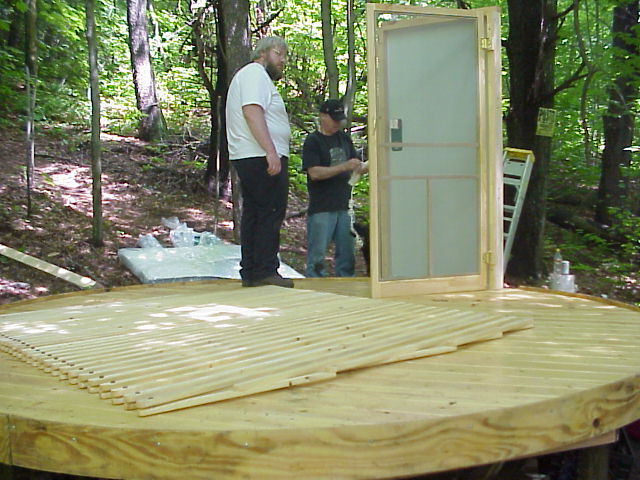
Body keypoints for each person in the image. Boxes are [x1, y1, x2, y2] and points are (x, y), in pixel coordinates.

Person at [225, 36, 293, 288]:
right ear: (263, 53)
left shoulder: (250, 76)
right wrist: (271, 151)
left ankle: (252, 271)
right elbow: (252, 110)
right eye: (279, 53)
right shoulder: (255, 74)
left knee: (256, 212)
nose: (283, 61)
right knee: (269, 212)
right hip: (259, 155)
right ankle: (265, 270)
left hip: (251, 155)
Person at [302, 99, 365, 277]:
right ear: (323, 116)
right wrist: (344, 167)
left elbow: (355, 165)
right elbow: (314, 173)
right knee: (317, 257)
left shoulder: (344, 138)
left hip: (344, 205)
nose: (337, 123)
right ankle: (315, 289)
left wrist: (364, 167)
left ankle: (347, 288)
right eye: (333, 119)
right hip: (322, 206)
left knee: (347, 255)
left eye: (339, 120)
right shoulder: (313, 141)